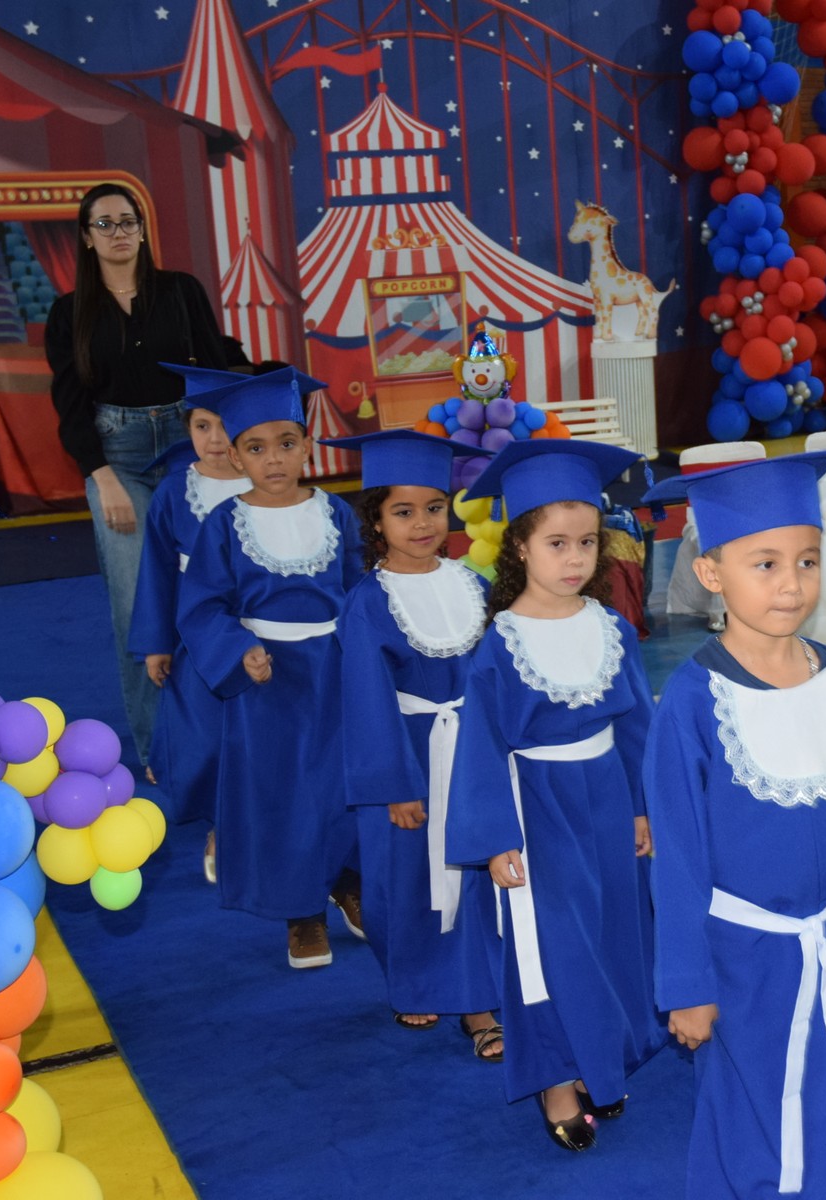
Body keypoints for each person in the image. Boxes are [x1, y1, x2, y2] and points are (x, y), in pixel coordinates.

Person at [641, 451, 826, 1200]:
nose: (790, 583)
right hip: (741, 958)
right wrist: (686, 983)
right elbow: (679, 859)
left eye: (806, 560)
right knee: (757, 1113)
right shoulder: (692, 706)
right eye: (763, 563)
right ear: (711, 573)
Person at [444, 439, 662, 1151]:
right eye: (556, 543)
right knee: (552, 944)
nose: (574, 559)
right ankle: (557, 1079)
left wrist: (641, 804)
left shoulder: (609, 628)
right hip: (536, 807)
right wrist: (495, 838)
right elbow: (481, 747)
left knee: (611, 934)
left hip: (603, 797)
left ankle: (602, 1060)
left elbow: (634, 723)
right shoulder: (502, 642)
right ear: (520, 549)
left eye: (588, 542)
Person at [176, 367, 365, 969]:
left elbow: (361, 589)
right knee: (283, 793)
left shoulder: (337, 514)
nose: (275, 460)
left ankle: (348, 880)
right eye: (256, 448)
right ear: (234, 456)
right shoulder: (225, 526)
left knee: (344, 781)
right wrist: (236, 649)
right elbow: (202, 603)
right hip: (268, 680)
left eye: (287, 443)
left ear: (308, 446)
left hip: (336, 672)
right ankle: (300, 911)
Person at [327, 429, 505, 1054]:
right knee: (409, 881)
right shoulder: (368, 602)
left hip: (473, 755)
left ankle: (478, 1001)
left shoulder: (473, 586)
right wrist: (394, 786)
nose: (422, 523)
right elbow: (365, 701)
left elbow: (492, 675)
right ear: (375, 519)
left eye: (434, 507)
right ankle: (416, 980)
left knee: (476, 871)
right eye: (403, 512)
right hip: (408, 758)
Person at [45, 183, 230, 769]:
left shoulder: (180, 291)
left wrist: (227, 450)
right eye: (105, 223)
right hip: (117, 458)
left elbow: (216, 369)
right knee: (137, 606)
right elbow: (71, 403)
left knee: (218, 589)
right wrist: (100, 476)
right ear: (86, 236)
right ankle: (160, 749)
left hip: (189, 447)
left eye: (128, 221)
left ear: (144, 230)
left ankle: (231, 733)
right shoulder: (68, 312)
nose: (119, 231)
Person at [126, 365, 252, 884]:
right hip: (194, 636)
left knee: (261, 736)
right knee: (206, 737)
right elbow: (156, 571)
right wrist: (158, 643)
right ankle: (221, 827)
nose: (216, 439)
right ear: (188, 430)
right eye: (202, 426)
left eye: (225, 425)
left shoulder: (268, 484)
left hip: (262, 628)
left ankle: (262, 823)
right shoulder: (176, 493)